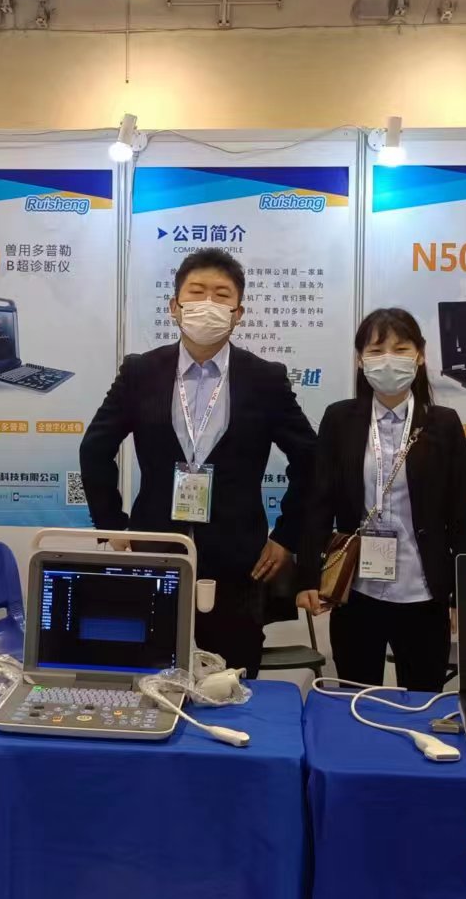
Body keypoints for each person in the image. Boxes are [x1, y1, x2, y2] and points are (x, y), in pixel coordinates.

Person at [81, 247, 318, 674]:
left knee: (232, 683)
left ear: (238, 313)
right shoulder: (140, 372)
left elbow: (311, 459)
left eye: (221, 295)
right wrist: (112, 527)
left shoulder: (265, 378)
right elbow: (95, 448)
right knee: (146, 676)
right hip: (155, 552)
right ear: (175, 306)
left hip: (239, 562)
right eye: (197, 292)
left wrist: (287, 537)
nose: (208, 303)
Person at [296, 307, 466, 691]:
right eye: (377, 351)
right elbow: (318, 503)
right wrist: (308, 576)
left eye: (401, 349)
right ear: (360, 360)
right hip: (358, 592)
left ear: (420, 356)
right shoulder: (339, 419)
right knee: (354, 699)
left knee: (422, 702)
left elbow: (461, 516)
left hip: (423, 592)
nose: (388, 360)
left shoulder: (443, 424)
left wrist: (461, 594)